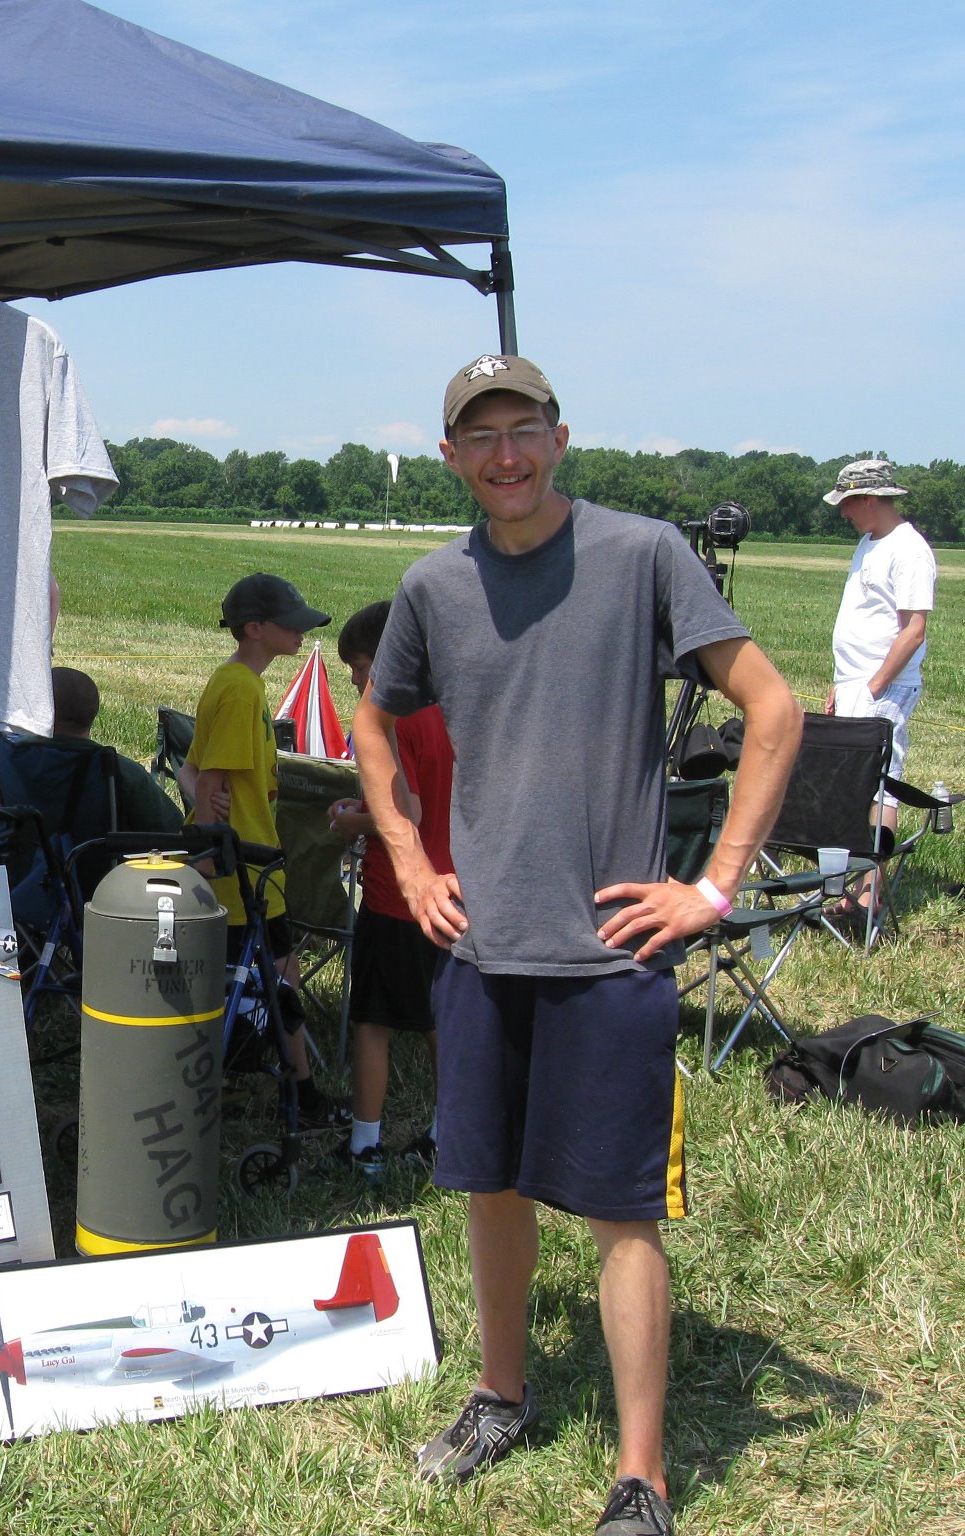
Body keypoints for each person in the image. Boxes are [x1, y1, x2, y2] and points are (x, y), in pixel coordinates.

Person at [355, 354, 800, 1536]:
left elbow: (773, 707)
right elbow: (373, 716)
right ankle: (500, 1393)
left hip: (608, 956)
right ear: (450, 457)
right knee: (487, 1187)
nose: (503, 455)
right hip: (480, 949)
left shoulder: (641, 555)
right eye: (478, 437)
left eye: (522, 430)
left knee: (619, 1213)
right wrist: (406, 858)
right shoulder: (429, 588)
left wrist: (710, 888)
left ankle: (639, 1475)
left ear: (558, 437)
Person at [186, 572, 335, 1119]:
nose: (301, 632)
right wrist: (208, 855)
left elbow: (195, 770)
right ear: (254, 628)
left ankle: (296, 1087)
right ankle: (298, 1094)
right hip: (244, 872)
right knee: (280, 986)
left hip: (247, 865)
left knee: (281, 976)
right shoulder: (241, 690)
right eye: (290, 624)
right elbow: (209, 780)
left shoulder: (235, 683)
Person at [325, 601, 452, 1177]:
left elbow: (409, 811)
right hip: (456, 888)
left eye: (358, 665)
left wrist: (354, 819)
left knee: (372, 1023)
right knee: (440, 1022)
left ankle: (364, 1147)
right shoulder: (451, 712)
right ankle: (450, 1134)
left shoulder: (393, 719)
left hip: (396, 893)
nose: (353, 679)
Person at [823, 458, 936, 901]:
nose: (843, 513)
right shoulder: (870, 542)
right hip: (855, 682)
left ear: (869, 498)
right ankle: (849, 884)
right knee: (853, 783)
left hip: (884, 688)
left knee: (880, 783)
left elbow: (913, 629)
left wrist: (873, 686)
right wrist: (842, 681)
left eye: (847, 503)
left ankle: (868, 894)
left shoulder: (909, 549)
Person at [34, 666, 186, 832]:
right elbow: (174, 830)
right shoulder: (122, 772)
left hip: (27, 856)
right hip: (95, 857)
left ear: (41, 710)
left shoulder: (18, 760)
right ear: (94, 712)